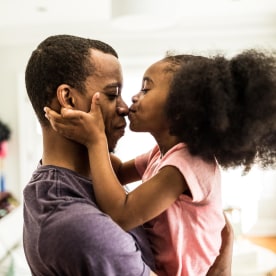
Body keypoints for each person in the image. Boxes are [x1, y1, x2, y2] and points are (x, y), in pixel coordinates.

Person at [45, 50, 276, 275]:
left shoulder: (187, 164)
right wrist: (88, 134)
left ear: (182, 109)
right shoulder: (161, 154)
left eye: (146, 89)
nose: (134, 97)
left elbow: (121, 214)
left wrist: (96, 141)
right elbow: (116, 172)